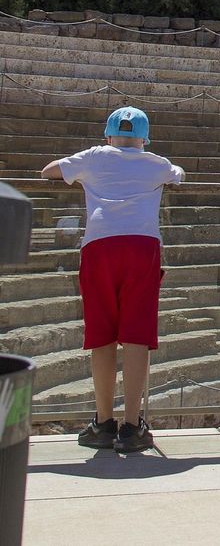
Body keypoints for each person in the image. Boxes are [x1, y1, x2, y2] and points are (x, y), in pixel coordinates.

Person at [44, 107, 184, 454]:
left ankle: (103, 422)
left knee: (102, 334)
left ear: (108, 136)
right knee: (137, 335)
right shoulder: (155, 162)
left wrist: (84, 172)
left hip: (100, 245)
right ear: (144, 138)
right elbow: (178, 175)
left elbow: (49, 171)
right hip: (142, 245)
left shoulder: (93, 156)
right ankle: (133, 426)